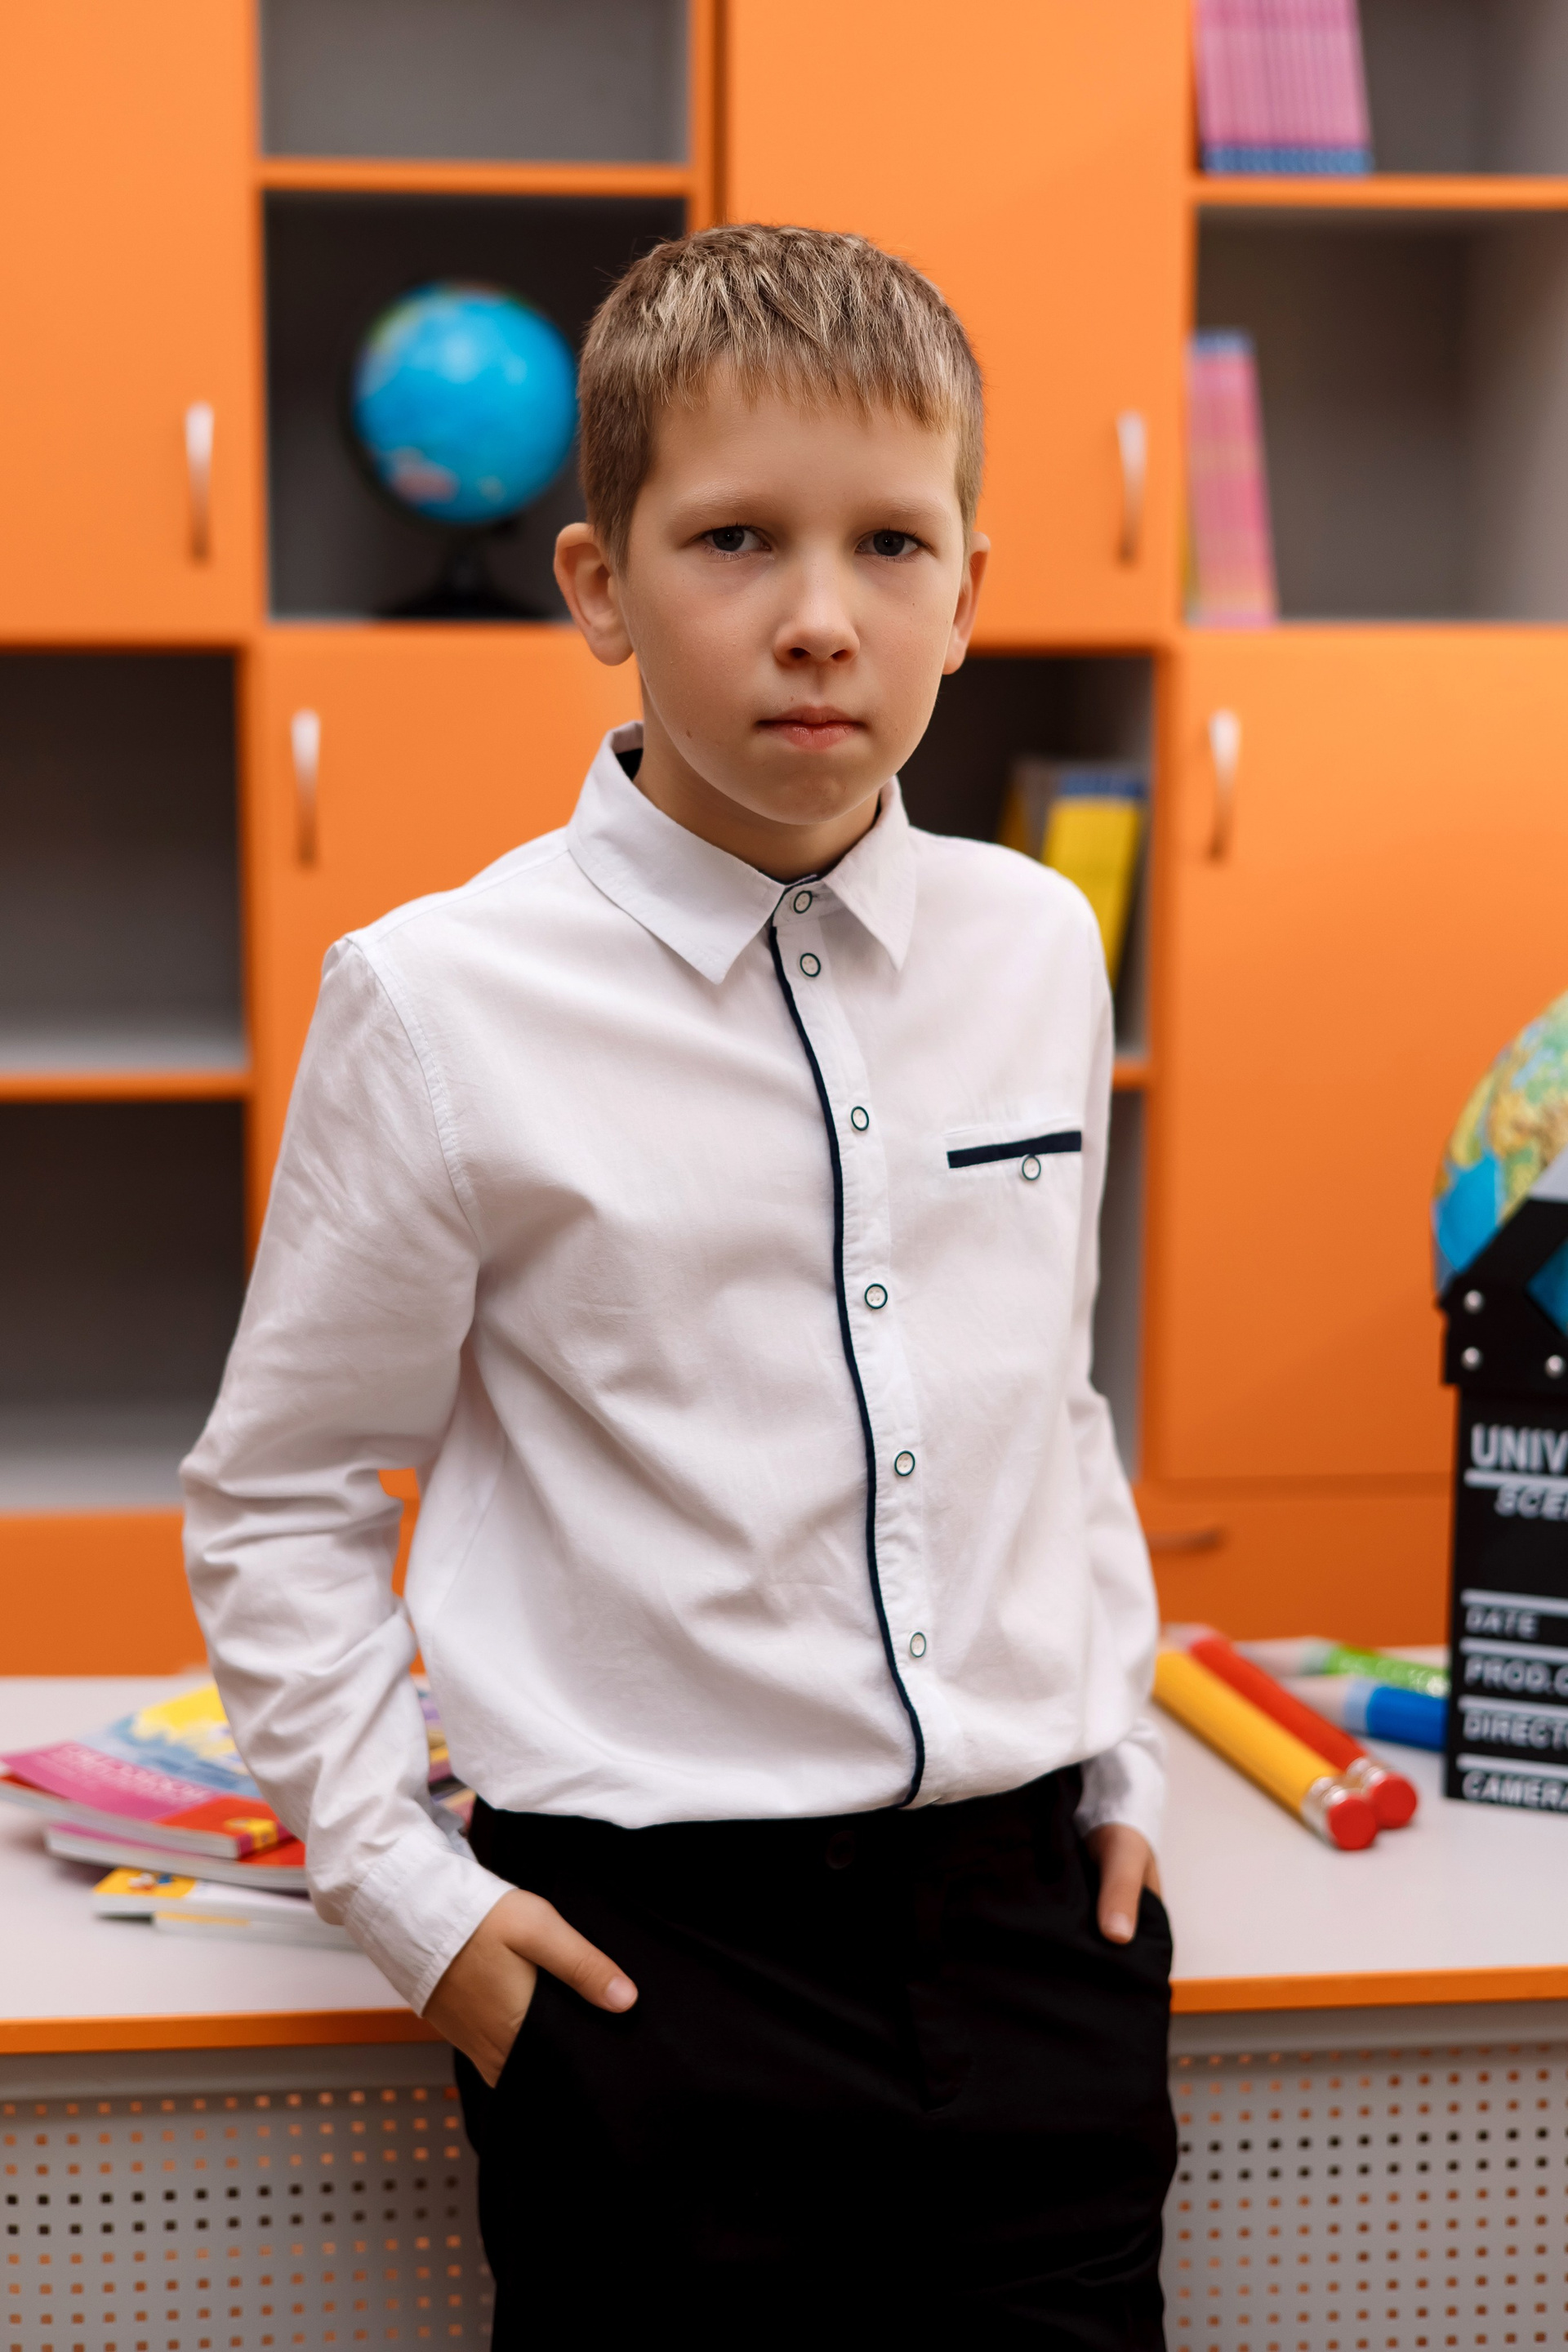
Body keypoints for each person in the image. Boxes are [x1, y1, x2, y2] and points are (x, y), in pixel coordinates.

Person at [183, 222, 1175, 2345]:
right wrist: (409, 1901)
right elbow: (280, 1494)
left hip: (1031, 1951)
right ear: (599, 586)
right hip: (658, 1981)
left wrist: (1122, 1764)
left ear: (968, 597)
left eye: (891, 544)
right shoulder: (437, 1001)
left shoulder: (1039, 947)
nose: (820, 616)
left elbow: (1046, 1396)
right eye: (735, 538)